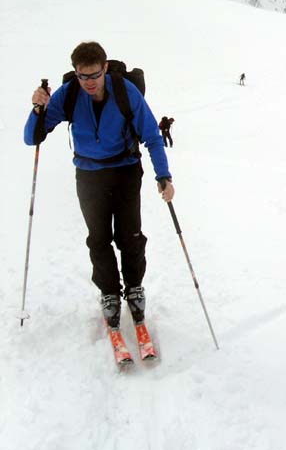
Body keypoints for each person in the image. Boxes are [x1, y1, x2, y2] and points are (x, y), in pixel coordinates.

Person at [24, 41, 175, 330]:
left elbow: (152, 136)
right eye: (83, 76)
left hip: (126, 171)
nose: (89, 82)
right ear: (75, 73)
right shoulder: (68, 95)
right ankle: (109, 292)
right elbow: (33, 137)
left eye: (94, 75)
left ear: (105, 68)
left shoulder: (125, 92)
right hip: (89, 175)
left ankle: (134, 286)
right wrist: (37, 109)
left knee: (130, 235)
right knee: (98, 238)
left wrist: (163, 176)